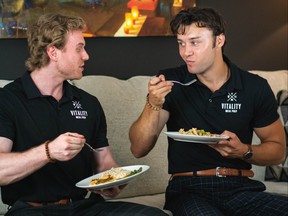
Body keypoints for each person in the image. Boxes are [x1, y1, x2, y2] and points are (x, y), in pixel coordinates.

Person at [0, 13, 167, 216]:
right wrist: (48, 151)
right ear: (53, 52)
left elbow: (104, 161)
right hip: (30, 210)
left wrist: (113, 180)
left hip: (83, 207)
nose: (86, 56)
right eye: (79, 48)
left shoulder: (88, 103)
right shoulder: (7, 99)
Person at [129, 7, 288, 216]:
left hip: (241, 188)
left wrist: (244, 151)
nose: (186, 52)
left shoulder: (253, 87)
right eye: (181, 43)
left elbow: (278, 151)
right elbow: (138, 149)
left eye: (195, 42)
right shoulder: (170, 81)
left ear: (219, 40)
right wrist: (153, 103)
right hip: (188, 190)